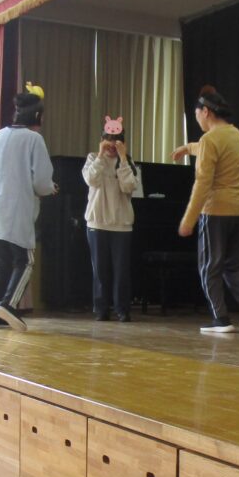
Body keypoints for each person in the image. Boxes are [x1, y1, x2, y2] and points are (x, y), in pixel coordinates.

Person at [173, 85, 239, 334]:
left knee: (210, 266)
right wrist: (188, 147)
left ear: (205, 112)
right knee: (233, 264)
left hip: (217, 210)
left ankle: (221, 319)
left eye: (197, 114)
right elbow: (212, 149)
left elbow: (202, 183)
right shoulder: (236, 134)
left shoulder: (210, 140)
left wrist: (188, 219)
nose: (197, 119)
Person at [0, 82, 57, 332]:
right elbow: (42, 182)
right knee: (24, 261)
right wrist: (50, 188)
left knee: (1, 262)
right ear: (38, 116)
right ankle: (8, 305)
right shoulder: (34, 139)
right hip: (16, 212)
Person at [83, 115, 141, 322]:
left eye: (116, 140)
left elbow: (129, 186)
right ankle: (101, 309)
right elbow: (91, 179)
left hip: (121, 225)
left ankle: (122, 309)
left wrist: (123, 159)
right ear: (101, 140)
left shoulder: (128, 161)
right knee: (100, 270)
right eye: (108, 139)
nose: (111, 144)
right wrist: (100, 155)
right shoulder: (93, 158)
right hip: (97, 223)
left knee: (121, 271)